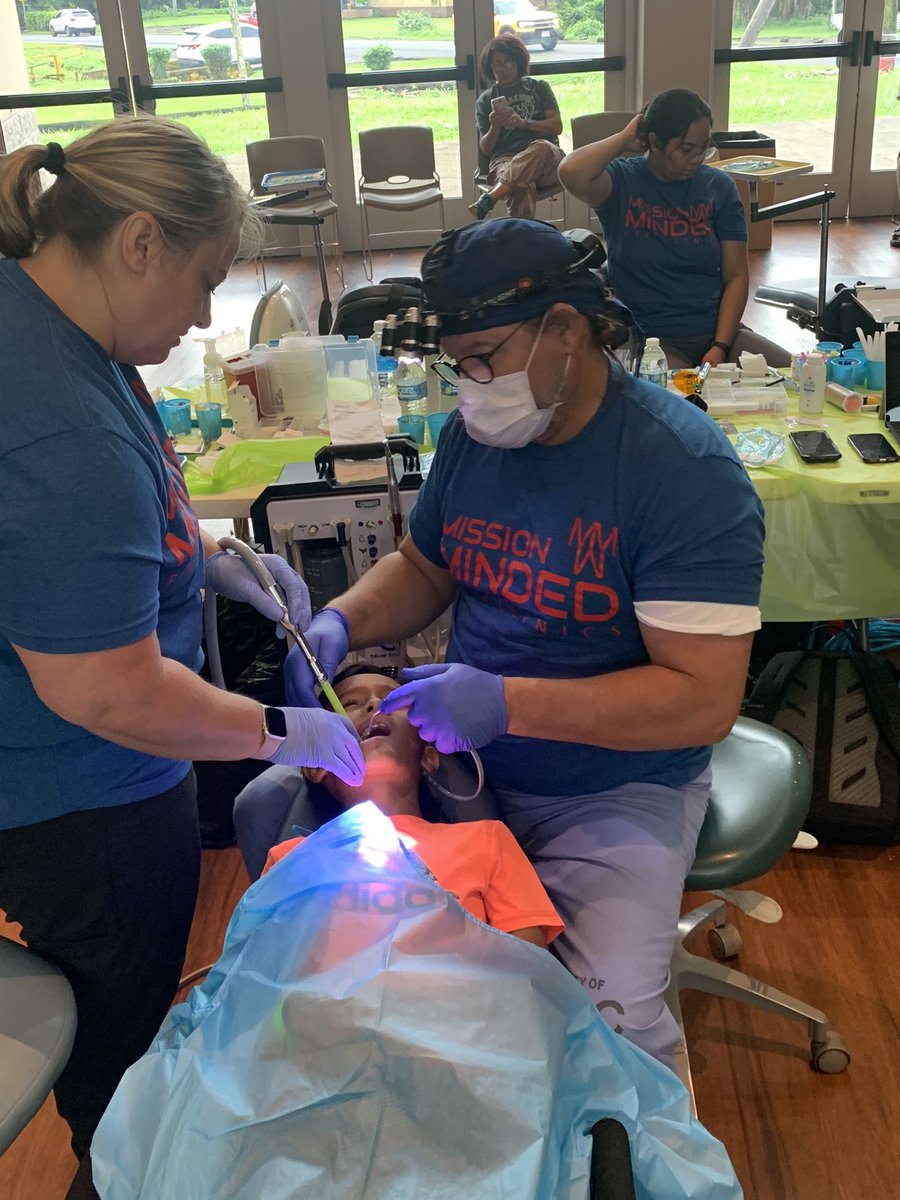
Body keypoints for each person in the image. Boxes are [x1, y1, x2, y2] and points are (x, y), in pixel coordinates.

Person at [284, 217, 766, 1075]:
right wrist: (344, 620)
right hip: (467, 767)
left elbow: (703, 698)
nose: (469, 387)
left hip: (613, 788)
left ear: (567, 333)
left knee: (607, 1019)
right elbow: (426, 568)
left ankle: (639, 1150)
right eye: (455, 364)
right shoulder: (480, 438)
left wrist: (509, 703)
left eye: (483, 360)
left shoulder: (680, 472)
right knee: (416, 983)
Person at [0, 117, 364, 1194]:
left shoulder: (63, 331)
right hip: (80, 801)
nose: (204, 315)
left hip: (66, 773)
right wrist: (280, 729)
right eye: (203, 281)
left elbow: (72, 547)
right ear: (141, 242)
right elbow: (104, 689)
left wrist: (208, 556)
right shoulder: (63, 427)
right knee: (120, 1076)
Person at [236, 666, 563, 949]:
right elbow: (263, 981)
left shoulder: (488, 841)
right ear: (315, 765)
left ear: (429, 755)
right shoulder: (291, 859)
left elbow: (531, 980)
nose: (375, 705)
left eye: (396, 701)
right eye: (350, 703)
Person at [558, 88, 790, 370]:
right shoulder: (622, 182)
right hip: (652, 339)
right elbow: (570, 172)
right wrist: (624, 139)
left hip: (717, 333)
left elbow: (737, 275)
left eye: (704, 147)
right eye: (686, 149)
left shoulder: (718, 188)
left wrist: (720, 345)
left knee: (796, 378)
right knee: (682, 400)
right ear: (654, 142)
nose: (697, 158)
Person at [469, 33, 565, 221]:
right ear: (490, 67)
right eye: (497, 64)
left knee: (542, 147)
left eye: (508, 62)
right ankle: (522, 247)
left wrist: (524, 123)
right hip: (505, 160)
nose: (503, 68)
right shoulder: (485, 100)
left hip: (547, 161)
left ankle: (491, 197)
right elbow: (486, 149)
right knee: (520, 187)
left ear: (518, 61)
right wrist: (495, 126)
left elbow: (557, 126)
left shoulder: (538, 87)